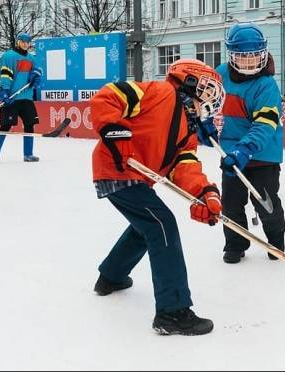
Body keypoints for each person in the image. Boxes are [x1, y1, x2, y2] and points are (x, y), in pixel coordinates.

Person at [89, 59, 225, 336]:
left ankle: (111, 277)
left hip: (135, 178)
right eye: (208, 91)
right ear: (189, 82)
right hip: (117, 168)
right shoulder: (159, 93)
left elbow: (184, 166)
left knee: (146, 227)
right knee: (161, 224)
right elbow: (108, 96)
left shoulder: (188, 130)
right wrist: (115, 131)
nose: (210, 101)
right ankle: (172, 311)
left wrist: (204, 193)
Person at [216, 22, 285, 264]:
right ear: (231, 55)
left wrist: (245, 149)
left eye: (254, 55)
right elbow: (207, 105)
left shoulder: (266, 85)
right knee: (231, 203)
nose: (249, 62)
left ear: (263, 53)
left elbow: (265, 125)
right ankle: (235, 244)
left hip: (263, 152)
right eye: (242, 56)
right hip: (231, 152)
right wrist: (202, 125)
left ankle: (276, 242)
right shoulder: (220, 75)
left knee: (265, 202)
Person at [0, 32, 43, 164]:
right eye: (23, 41)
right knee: (5, 126)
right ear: (18, 42)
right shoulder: (9, 56)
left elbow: (38, 71)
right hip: (12, 97)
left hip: (27, 97)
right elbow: (5, 75)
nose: (25, 44)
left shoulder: (32, 58)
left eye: (28, 42)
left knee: (29, 125)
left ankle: (28, 154)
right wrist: (5, 90)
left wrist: (36, 76)